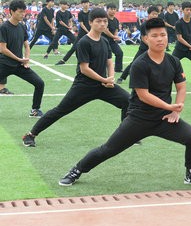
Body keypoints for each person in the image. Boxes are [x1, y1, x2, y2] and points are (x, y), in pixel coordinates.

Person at [58, 18, 191, 187]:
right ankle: (76, 170)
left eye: (163, 35)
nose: (160, 39)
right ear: (145, 39)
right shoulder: (140, 64)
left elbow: (181, 88)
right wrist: (168, 106)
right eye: (155, 36)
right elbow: (143, 95)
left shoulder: (174, 61)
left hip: (164, 118)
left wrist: (175, 111)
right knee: (108, 149)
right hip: (139, 119)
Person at [22, 8, 130, 147]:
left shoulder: (104, 41)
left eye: (105, 21)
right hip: (84, 86)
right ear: (90, 22)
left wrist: (111, 79)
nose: (103, 24)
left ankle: (125, 136)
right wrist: (105, 80)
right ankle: (30, 135)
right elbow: (85, 69)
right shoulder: (84, 42)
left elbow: (110, 63)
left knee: (128, 100)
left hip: (103, 86)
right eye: (99, 21)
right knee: (59, 111)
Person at [0, 0, 45, 117]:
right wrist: (20, 59)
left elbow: (26, 45)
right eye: (20, 12)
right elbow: (3, 49)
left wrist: (26, 60)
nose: (23, 14)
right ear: (11, 12)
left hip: (19, 65)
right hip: (4, 64)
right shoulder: (4, 27)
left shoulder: (22, 26)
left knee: (39, 83)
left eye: (24, 11)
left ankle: (35, 110)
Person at [117, 6, 159, 84]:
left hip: (154, 48)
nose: (155, 16)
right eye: (153, 14)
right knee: (134, 63)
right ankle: (122, 77)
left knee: (158, 64)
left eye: (156, 14)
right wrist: (151, 46)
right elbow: (143, 38)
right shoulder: (144, 25)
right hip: (144, 48)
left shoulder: (158, 25)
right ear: (149, 14)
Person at [57, 0, 90, 65]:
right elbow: (81, 24)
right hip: (82, 33)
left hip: (90, 33)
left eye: (87, 3)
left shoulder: (92, 13)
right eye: (84, 3)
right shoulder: (80, 13)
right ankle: (63, 60)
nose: (86, 4)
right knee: (74, 47)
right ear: (82, 4)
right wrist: (88, 31)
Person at [102, 3, 124, 73]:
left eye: (114, 9)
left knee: (119, 52)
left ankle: (118, 69)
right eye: (111, 9)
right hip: (104, 40)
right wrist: (114, 36)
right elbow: (106, 31)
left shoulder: (116, 20)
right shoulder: (105, 20)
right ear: (107, 9)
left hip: (112, 41)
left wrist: (115, 37)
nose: (113, 11)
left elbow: (116, 30)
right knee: (107, 55)